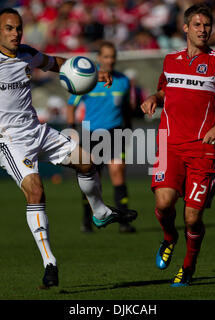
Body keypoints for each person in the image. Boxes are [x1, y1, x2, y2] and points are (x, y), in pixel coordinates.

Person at [0, 8, 137, 288]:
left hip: (37, 131)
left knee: (88, 162)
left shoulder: (27, 53)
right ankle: (50, 262)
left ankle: (100, 213)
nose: (15, 33)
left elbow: (55, 62)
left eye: (18, 28)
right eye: (8, 28)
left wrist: (92, 72)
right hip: (7, 139)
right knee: (35, 190)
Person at [140, 4, 215, 287]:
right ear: (185, 28)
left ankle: (188, 266)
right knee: (163, 202)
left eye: (206, 25)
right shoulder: (170, 59)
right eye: (197, 25)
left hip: (202, 149)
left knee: (192, 217)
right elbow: (164, 90)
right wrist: (153, 97)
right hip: (169, 143)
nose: (202, 30)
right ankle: (169, 238)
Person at [67, 41, 136, 233]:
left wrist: (128, 128)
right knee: (92, 178)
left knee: (117, 172)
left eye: (113, 56)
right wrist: (71, 129)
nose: (110, 60)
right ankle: (87, 219)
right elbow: (71, 103)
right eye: (106, 56)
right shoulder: (89, 79)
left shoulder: (123, 81)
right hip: (91, 133)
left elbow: (125, 109)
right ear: (99, 58)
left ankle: (123, 221)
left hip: (115, 132)